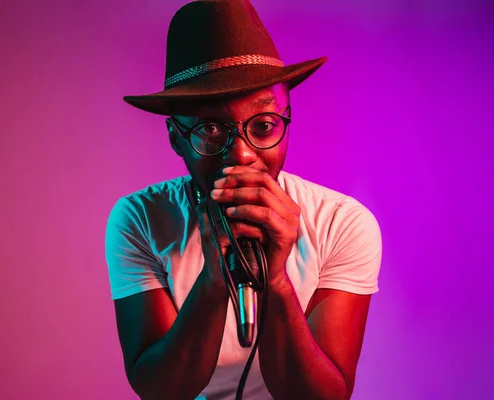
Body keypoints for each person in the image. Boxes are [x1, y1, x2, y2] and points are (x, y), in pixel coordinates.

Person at [105, 0, 382, 399]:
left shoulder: (343, 222)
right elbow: (161, 389)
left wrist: (275, 281)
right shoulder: (141, 221)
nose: (242, 154)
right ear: (175, 138)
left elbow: (324, 397)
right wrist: (214, 280)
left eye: (264, 126)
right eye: (211, 129)